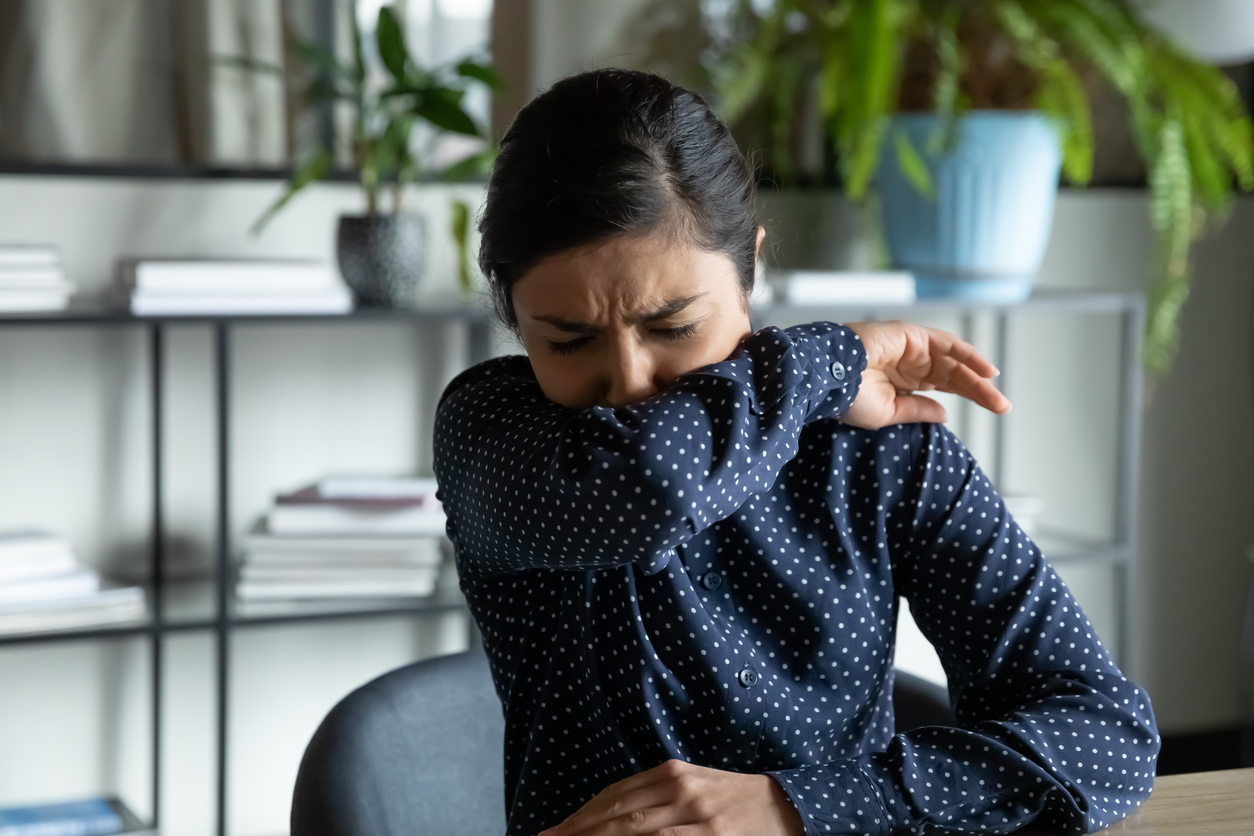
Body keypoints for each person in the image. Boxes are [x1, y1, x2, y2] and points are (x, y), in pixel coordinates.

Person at [433, 69, 1159, 836]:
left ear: (752, 264)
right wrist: (833, 357)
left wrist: (795, 805)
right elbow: (651, 489)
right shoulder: (493, 431)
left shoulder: (880, 454)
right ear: (512, 314)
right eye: (569, 341)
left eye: (674, 327)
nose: (632, 385)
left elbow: (1106, 737)